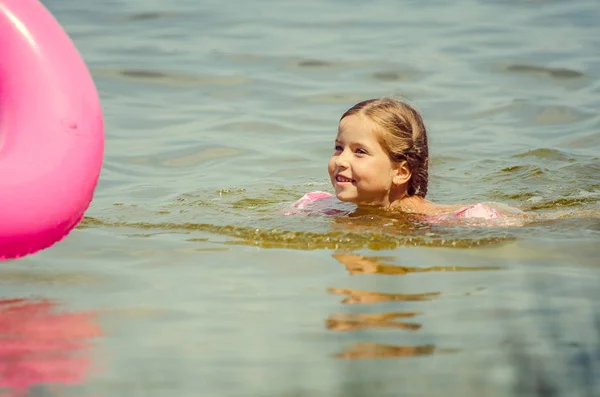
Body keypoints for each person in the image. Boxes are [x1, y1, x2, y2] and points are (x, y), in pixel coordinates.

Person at [289, 97, 521, 223]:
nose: (341, 160)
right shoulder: (318, 205)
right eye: (339, 148)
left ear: (400, 172)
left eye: (360, 151)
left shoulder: (430, 218)